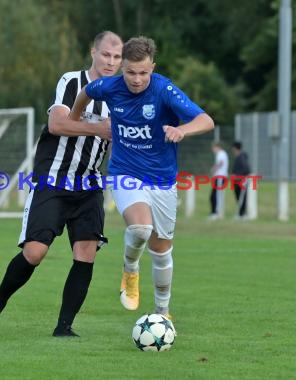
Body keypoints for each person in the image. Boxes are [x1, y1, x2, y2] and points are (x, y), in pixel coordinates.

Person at [0, 31, 123, 337]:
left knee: (86, 252)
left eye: (117, 57)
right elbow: (57, 124)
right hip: (52, 181)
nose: (111, 62)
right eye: (106, 54)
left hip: (90, 185)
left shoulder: (121, 95)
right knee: (35, 252)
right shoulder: (72, 81)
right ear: (92, 51)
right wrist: (98, 129)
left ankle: (63, 328)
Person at [69, 36, 214, 318]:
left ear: (153, 68)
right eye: (131, 72)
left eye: (144, 73)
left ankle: (162, 312)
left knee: (161, 251)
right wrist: (77, 119)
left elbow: (205, 120)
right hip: (125, 172)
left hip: (162, 181)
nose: (137, 79)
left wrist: (182, 130)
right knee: (140, 229)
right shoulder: (109, 86)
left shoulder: (163, 90)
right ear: (122, 67)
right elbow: (86, 91)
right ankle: (130, 270)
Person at [208, 141, 229, 220]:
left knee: (217, 196)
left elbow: (220, 163)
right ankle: (214, 212)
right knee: (214, 195)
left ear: (218, 147)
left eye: (214, 148)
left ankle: (216, 213)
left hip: (220, 177)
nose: (213, 149)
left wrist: (214, 169)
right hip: (218, 177)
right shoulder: (222, 154)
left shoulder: (221, 154)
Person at [231, 141, 250, 219]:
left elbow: (246, 169)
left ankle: (242, 214)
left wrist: (237, 175)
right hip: (237, 180)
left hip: (241, 180)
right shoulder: (239, 157)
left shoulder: (241, 157)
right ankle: (241, 213)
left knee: (242, 197)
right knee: (239, 197)